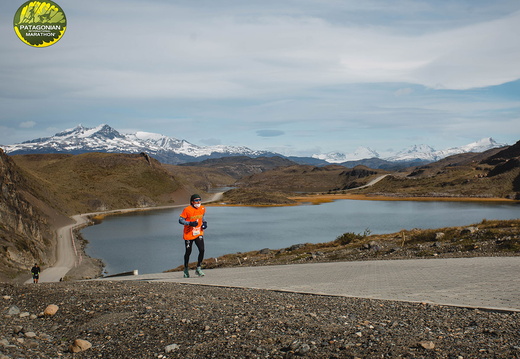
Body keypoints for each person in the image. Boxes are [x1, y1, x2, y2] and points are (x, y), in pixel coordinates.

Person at [178, 194, 207, 278]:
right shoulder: (187, 209)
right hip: (188, 234)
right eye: (196, 201)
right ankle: (186, 269)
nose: (198, 202)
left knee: (202, 250)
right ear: (192, 202)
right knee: (188, 252)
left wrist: (204, 223)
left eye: (199, 200)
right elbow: (180, 220)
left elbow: (202, 217)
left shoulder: (202, 208)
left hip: (198, 233)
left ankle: (198, 268)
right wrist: (189, 223)